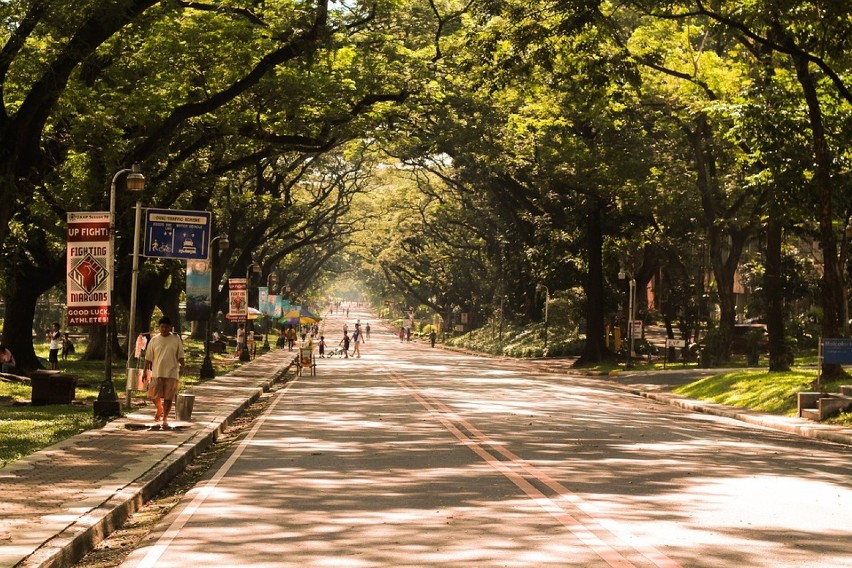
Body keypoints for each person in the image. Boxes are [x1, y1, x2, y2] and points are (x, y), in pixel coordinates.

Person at [144, 317, 185, 429]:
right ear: (159, 327)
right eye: (162, 327)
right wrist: (144, 372)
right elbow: (148, 358)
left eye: (166, 327)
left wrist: (184, 365)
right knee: (153, 396)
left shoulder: (176, 339)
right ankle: (159, 409)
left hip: (172, 373)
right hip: (157, 372)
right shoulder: (154, 340)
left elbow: (180, 355)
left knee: (168, 398)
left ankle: (165, 418)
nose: (164, 329)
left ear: (170, 328)